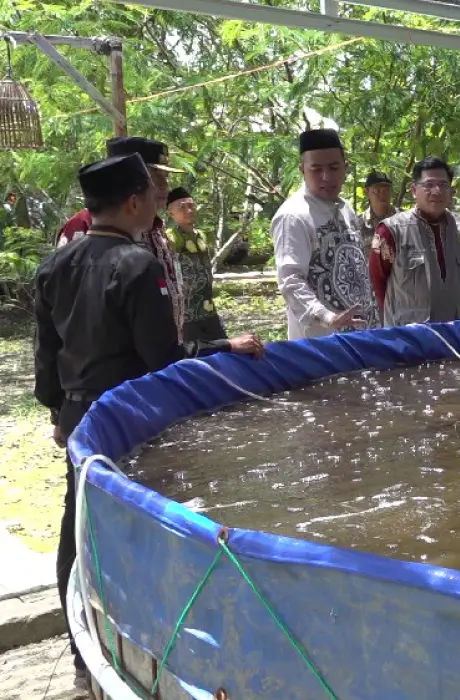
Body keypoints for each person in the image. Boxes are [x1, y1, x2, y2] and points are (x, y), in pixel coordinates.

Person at [32, 154, 265, 686]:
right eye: (153, 195)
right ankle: (160, 652)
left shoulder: (55, 264)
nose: (158, 203)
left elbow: (45, 360)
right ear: (134, 202)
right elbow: (163, 359)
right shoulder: (138, 266)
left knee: (81, 524)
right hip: (134, 419)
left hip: (77, 416)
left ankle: (83, 653)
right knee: (153, 525)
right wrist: (222, 347)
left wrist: (59, 414)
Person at [57, 136, 185, 338]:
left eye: (165, 176)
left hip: (161, 356)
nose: (163, 185)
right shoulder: (82, 227)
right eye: (154, 175)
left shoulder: (156, 226)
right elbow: (72, 308)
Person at [272, 128, 378, 340]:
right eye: (316, 169)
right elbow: (291, 281)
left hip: (363, 334)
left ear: (345, 168)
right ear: (302, 170)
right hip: (322, 339)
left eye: (334, 167)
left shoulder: (345, 209)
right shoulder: (293, 216)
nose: (326, 177)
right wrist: (327, 316)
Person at [369, 157, 460, 325]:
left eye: (443, 185)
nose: (436, 191)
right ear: (414, 190)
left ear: (451, 191)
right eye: (428, 185)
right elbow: (377, 282)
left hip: (459, 333)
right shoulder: (391, 231)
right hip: (410, 337)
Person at [166, 187, 227, 341]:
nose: (189, 210)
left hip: (208, 310)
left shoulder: (202, 235)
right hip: (186, 315)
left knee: (221, 352)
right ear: (171, 213)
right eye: (182, 207)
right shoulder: (169, 238)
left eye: (191, 205)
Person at [360, 170, 395, 250]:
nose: (383, 193)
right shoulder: (357, 224)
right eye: (377, 190)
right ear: (366, 192)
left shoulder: (403, 220)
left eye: (386, 190)